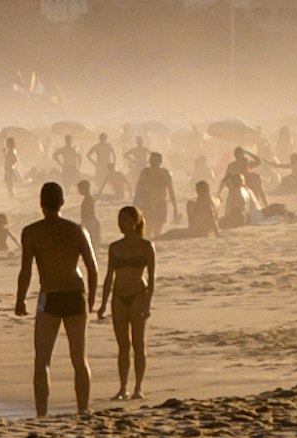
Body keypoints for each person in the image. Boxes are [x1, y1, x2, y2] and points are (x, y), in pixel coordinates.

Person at [13, 182, 99, 417]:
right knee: (79, 358)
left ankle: (42, 413)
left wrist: (20, 300)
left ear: (40, 203)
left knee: (42, 360)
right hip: (75, 294)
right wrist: (91, 299)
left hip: (49, 295)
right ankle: (83, 409)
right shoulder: (77, 230)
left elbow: (26, 270)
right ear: (62, 202)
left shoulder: (31, 232)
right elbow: (92, 269)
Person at [97, 206, 156, 401]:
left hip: (139, 294)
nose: (121, 224)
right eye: (119, 220)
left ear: (135, 222)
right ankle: (123, 388)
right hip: (119, 297)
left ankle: (138, 387)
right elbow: (108, 277)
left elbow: (152, 277)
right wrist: (103, 303)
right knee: (123, 344)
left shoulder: (146, 246)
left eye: (125, 220)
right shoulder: (115, 247)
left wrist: (148, 303)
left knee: (139, 343)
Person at [133, 152, 179, 237]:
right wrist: (136, 203)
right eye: (152, 160)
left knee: (158, 228)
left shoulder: (165, 173)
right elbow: (138, 188)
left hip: (161, 202)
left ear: (160, 161)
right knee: (148, 228)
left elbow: (171, 190)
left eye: (156, 160)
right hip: (148, 203)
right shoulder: (145, 172)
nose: (153, 162)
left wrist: (175, 207)